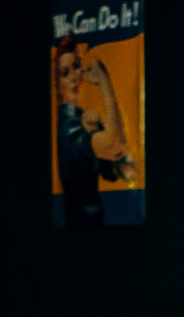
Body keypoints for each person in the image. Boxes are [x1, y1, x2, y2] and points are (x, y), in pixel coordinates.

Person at [53, 37, 137, 229]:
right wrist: (104, 82)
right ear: (57, 85)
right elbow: (113, 146)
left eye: (76, 67)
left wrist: (101, 128)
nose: (74, 76)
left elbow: (122, 167)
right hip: (81, 224)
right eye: (65, 73)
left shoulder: (83, 120)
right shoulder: (69, 127)